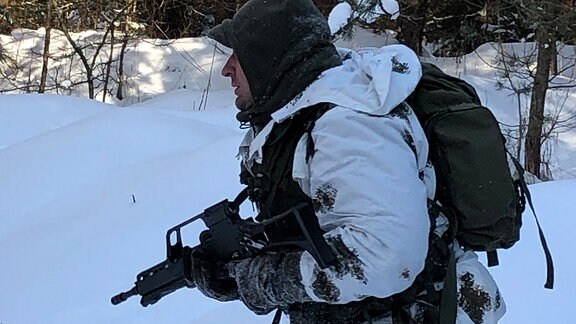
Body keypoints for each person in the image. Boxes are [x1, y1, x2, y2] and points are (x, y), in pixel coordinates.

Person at [193, 0, 506, 323]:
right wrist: (235, 267)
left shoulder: (348, 125)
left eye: (238, 55)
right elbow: (321, 226)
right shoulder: (298, 116)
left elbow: (387, 257)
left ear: (268, 57)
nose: (226, 68)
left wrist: (268, 280)